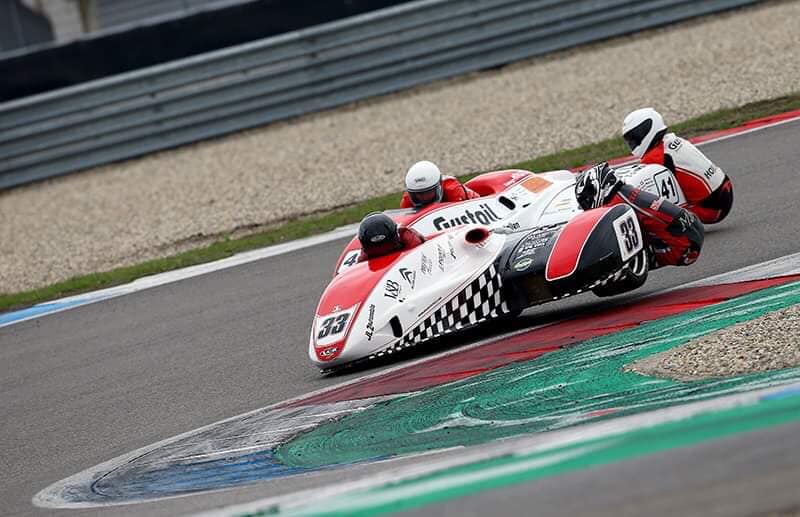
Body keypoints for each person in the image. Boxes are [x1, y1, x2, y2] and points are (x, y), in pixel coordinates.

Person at [575, 162, 704, 268]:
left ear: (601, 187)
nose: (587, 205)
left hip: (683, 247)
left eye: (586, 199)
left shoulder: (617, 203)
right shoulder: (625, 192)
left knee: (617, 260)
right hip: (692, 228)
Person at [622, 108, 733, 224]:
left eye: (635, 137)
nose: (633, 143)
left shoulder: (655, 156)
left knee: (648, 206)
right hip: (724, 190)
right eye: (630, 140)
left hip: (710, 208)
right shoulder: (672, 140)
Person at [400, 160, 479, 209]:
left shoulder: (454, 191)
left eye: (428, 192)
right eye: (419, 194)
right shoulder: (407, 200)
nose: (424, 197)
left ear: (439, 186)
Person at [357, 212, 425, 260]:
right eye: (377, 248)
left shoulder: (409, 237)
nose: (381, 249)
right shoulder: (363, 257)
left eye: (385, 245)